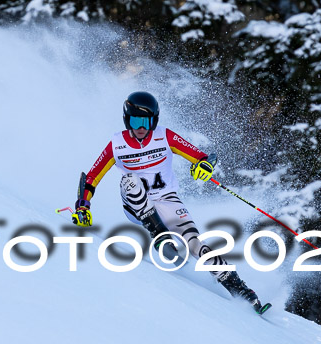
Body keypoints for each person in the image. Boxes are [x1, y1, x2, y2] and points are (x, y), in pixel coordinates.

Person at [72, 91, 265, 312]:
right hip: (135, 204)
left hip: (167, 200)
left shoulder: (164, 136)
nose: (141, 127)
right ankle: (160, 236)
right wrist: (83, 206)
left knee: (196, 245)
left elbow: (202, 157)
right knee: (130, 180)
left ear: (155, 120)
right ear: (127, 120)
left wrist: (204, 166)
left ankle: (241, 291)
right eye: (136, 121)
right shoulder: (117, 144)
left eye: (147, 121)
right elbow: (92, 176)